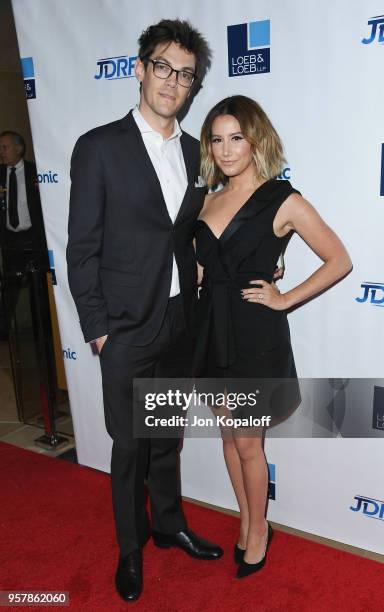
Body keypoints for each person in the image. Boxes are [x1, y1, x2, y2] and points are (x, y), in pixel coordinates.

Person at [67, 19, 222, 604]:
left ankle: (168, 523)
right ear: (139, 68)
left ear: (192, 86)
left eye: (185, 74)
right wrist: (99, 330)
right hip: (126, 331)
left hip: (179, 321)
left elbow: (194, 237)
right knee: (129, 443)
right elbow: (82, 247)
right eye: (162, 66)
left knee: (165, 437)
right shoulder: (98, 147)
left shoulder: (194, 152)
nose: (172, 81)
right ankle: (129, 548)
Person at [195, 95, 352, 579]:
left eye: (236, 138)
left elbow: (339, 260)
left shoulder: (283, 199)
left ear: (255, 139)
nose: (226, 150)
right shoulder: (207, 198)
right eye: (217, 140)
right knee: (227, 440)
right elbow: (202, 267)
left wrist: (284, 297)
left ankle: (259, 529)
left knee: (248, 444)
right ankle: (246, 520)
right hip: (209, 330)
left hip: (253, 334)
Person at [0, 131, 49, 327]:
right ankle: (4, 335)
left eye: (5, 147)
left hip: (33, 239)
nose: (1, 152)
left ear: (19, 149)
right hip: (10, 241)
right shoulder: (1, 174)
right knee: (9, 290)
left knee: (39, 291)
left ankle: (44, 331)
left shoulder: (35, 172)